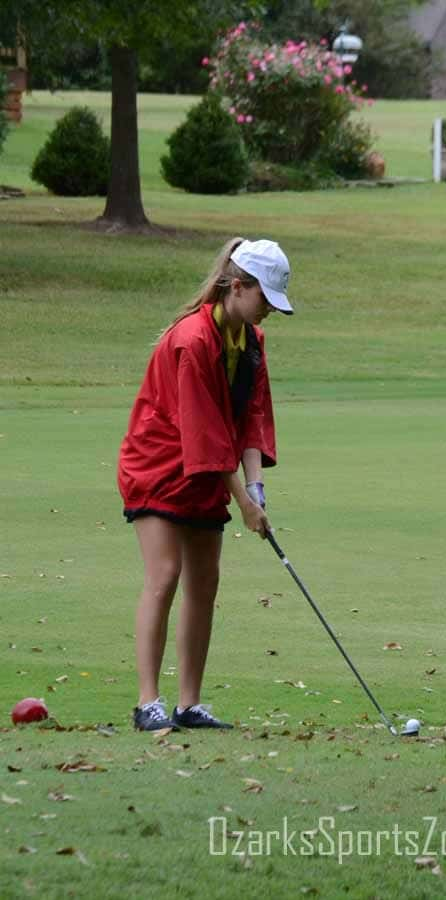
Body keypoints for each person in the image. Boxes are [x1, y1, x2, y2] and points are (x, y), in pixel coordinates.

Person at [117, 237, 293, 732]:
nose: (269, 314)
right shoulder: (192, 341)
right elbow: (204, 431)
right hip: (158, 464)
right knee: (166, 573)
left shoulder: (251, 341)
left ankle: (189, 704)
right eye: (265, 302)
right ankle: (148, 702)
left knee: (205, 580)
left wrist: (256, 490)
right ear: (237, 287)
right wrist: (241, 500)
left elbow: (252, 416)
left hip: (206, 468)